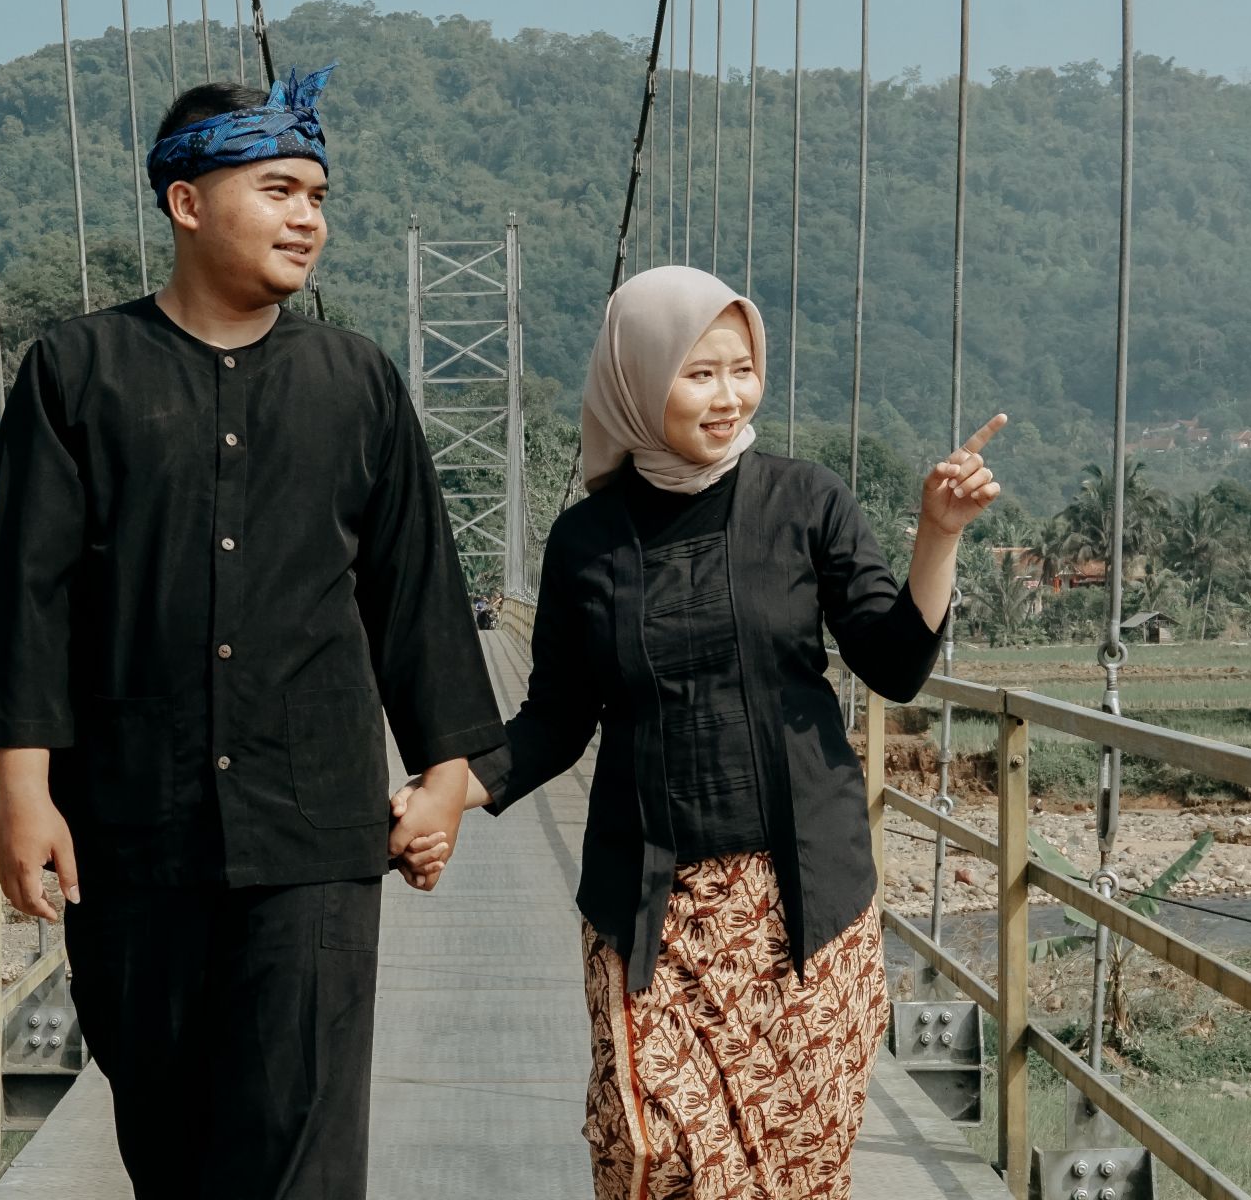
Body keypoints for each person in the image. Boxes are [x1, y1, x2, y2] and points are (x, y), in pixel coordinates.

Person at [0, 65, 504, 1200]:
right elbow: (30, 598)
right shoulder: (76, 371)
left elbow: (415, 592)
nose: (309, 218)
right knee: (171, 1156)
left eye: (319, 196)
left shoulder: (356, 380)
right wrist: (22, 792)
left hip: (313, 833)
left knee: (304, 1158)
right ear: (186, 201)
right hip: (132, 832)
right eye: (278, 190)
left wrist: (448, 778)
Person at [395, 264, 1004, 1200]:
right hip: (650, 913)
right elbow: (554, 721)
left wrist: (939, 533)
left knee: (795, 1171)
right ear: (638, 381)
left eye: (742, 370)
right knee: (654, 1154)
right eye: (699, 373)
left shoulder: (807, 503)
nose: (729, 397)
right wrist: (449, 790)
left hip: (803, 906)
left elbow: (893, 663)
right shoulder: (587, 542)